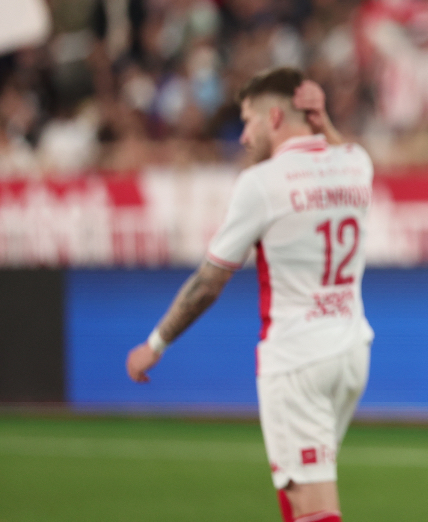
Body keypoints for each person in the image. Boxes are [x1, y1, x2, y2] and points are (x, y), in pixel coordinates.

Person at [125, 68, 371, 522]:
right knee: (297, 493)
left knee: (315, 506)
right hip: (351, 351)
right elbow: (339, 150)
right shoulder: (356, 162)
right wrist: (324, 123)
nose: (243, 136)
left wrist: (155, 343)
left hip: (297, 359)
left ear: (274, 117)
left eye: (248, 120)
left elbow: (208, 283)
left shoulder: (261, 183)